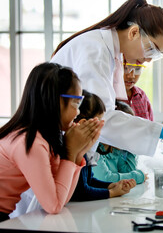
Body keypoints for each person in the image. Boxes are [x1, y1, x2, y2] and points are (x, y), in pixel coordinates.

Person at [50, 0, 163, 158]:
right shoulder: (95, 50)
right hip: (53, 147)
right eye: (151, 49)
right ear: (134, 32)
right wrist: (158, 132)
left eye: (156, 56)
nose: (149, 59)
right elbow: (101, 119)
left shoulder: (108, 52)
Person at [0, 62, 104, 222]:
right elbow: (53, 205)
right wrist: (70, 153)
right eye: (76, 103)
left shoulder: (46, 137)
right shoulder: (30, 141)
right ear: (54, 101)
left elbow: (62, 197)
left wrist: (78, 153)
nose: (78, 112)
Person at [71, 90, 136, 201]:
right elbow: (81, 191)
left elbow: (89, 181)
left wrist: (111, 185)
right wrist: (111, 193)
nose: (103, 127)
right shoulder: (75, 150)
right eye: (99, 121)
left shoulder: (85, 150)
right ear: (83, 123)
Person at [93, 101, 148, 184]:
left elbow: (127, 171)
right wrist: (137, 177)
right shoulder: (95, 149)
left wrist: (132, 147)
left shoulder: (115, 150)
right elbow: (105, 178)